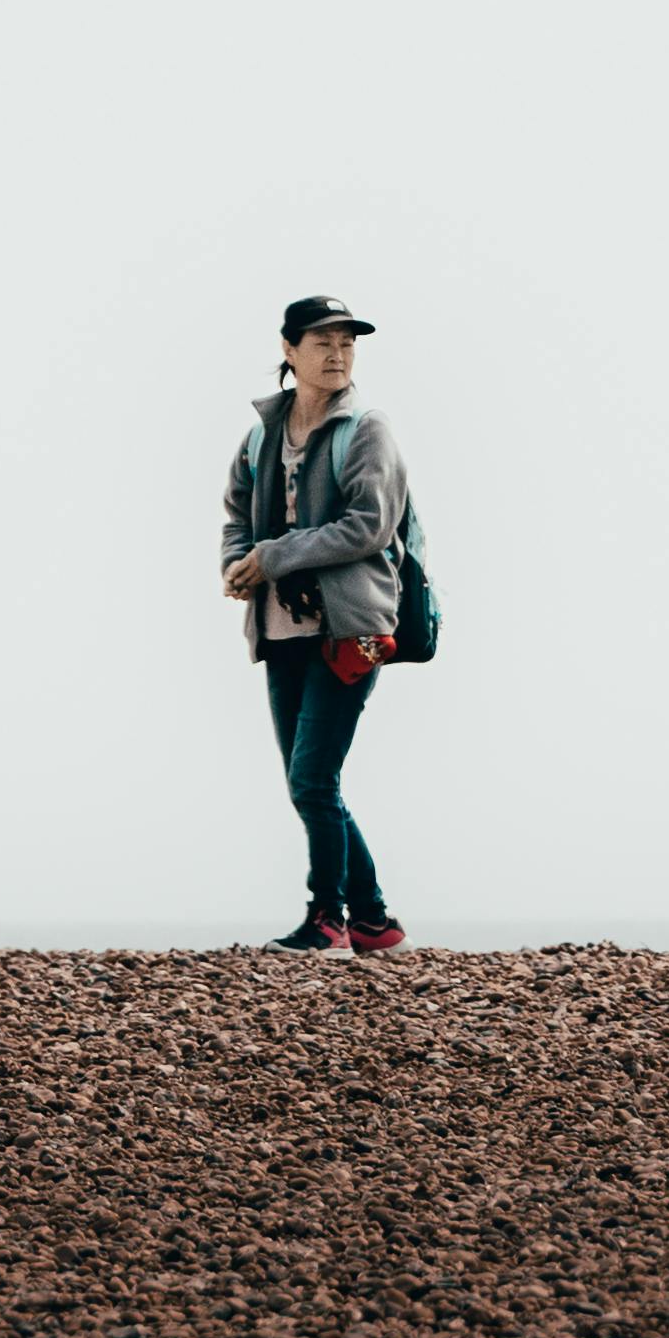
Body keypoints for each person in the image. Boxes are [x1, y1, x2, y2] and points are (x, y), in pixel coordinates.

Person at [218, 296, 410, 954]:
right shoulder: (261, 436)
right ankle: (374, 922)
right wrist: (234, 564)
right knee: (310, 782)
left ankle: (326, 917)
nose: (338, 354)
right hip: (280, 629)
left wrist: (269, 557)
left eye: (347, 343)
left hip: (354, 624)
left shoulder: (366, 429)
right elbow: (237, 516)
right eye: (323, 342)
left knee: (311, 781)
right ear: (289, 349)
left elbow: (369, 525)